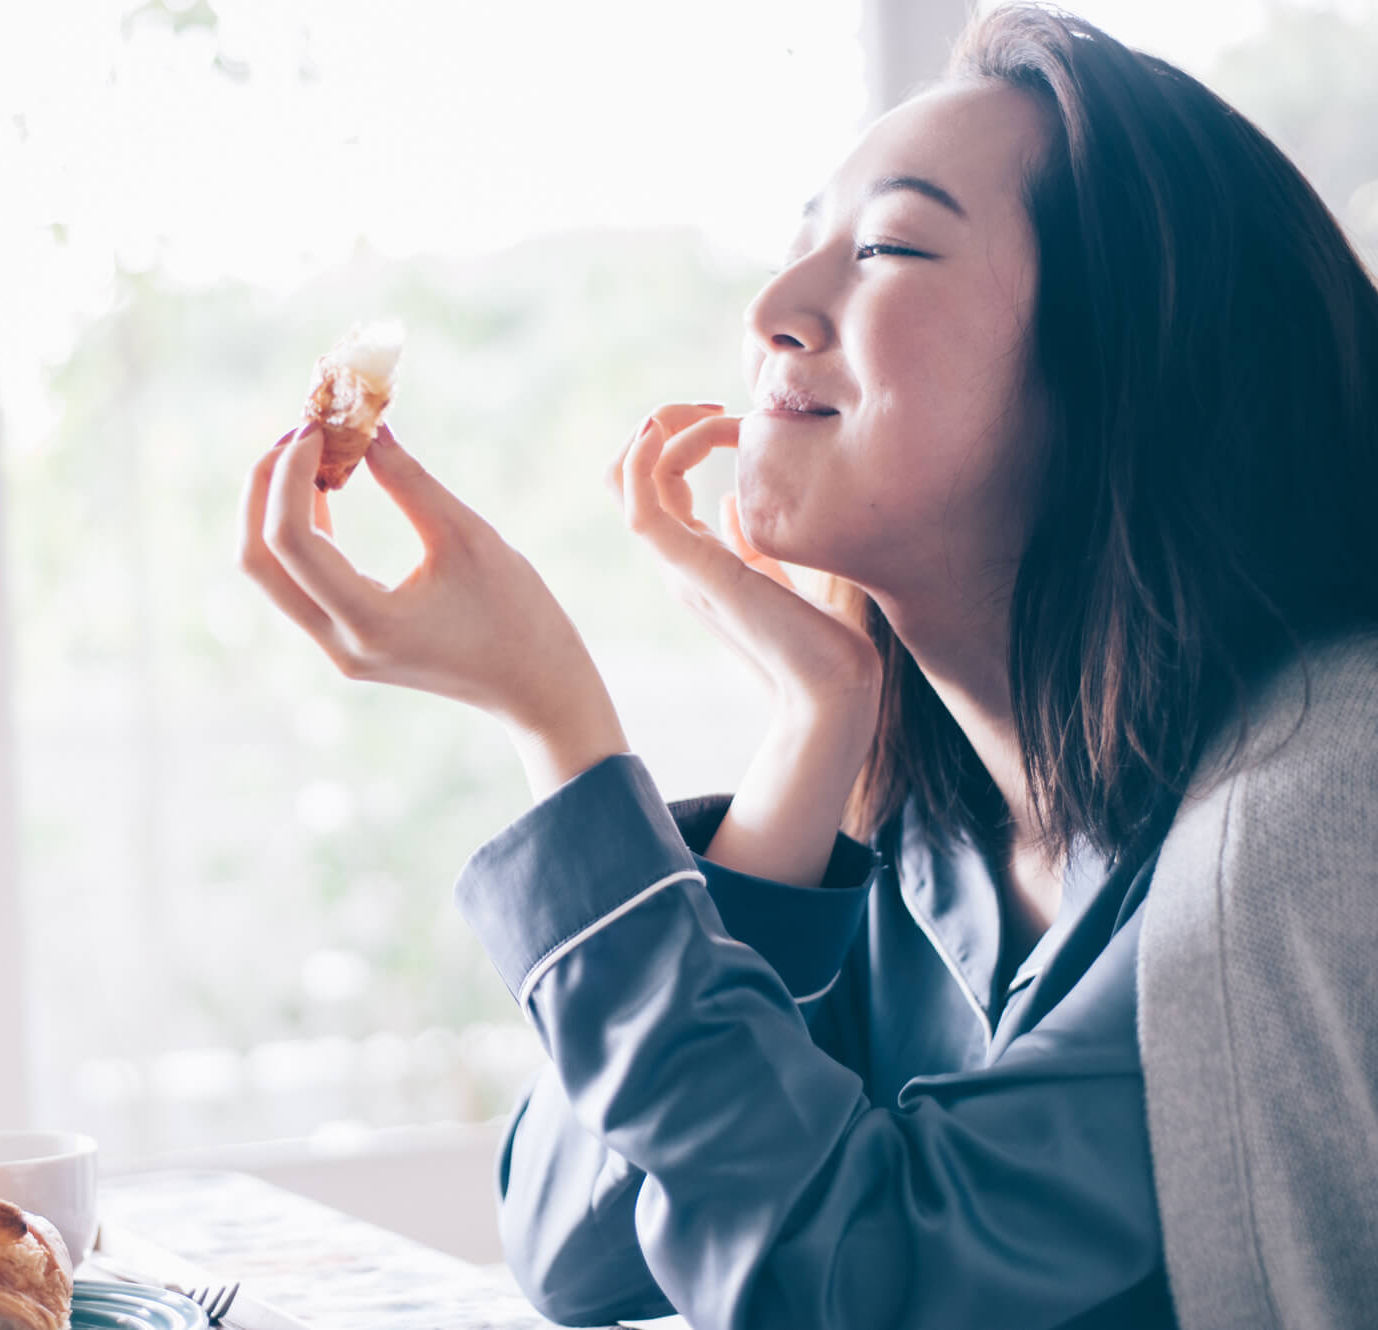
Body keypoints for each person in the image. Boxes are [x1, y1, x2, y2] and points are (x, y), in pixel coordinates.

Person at [237, 5, 1378, 1328]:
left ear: (1123, 367)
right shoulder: (915, 830)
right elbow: (580, 1244)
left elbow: (845, 1288)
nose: (773, 309)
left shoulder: (1319, 816)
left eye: (889, 246)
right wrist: (806, 736)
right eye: (795, 248)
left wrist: (559, 726)